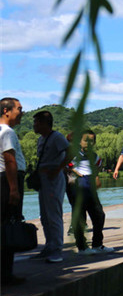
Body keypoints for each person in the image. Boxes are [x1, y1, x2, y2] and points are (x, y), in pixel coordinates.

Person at [31, 110, 68, 263]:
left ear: (44, 123)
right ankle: (49, 245)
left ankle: (57, 249)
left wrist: (58, 169)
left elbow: (71, 152)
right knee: (45, 215)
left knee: (54, 214)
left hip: (53, 178)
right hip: (43, 179)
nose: (34, 125)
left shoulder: (57, 137)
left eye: (36, 122)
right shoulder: (41, 139)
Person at [71, 130, 114, 254]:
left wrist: (96, 178)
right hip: (78, 186)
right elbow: (66, 165)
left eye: (91, 141)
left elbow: (97, 166)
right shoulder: (73, 155)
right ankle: (82, 247)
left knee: (99, 215)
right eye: (86, 140)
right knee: (80, 217)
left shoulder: (94, 156)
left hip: (90, 186)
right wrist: (78, 175)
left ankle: (97, 244)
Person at [0, 97, 27, 284]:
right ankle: (6, 274)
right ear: (6, 111)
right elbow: (10, 160)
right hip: (7, 181)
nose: (22, 112)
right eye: (19, 108)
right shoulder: (7, 132)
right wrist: (14, 189)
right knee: (8, 225)